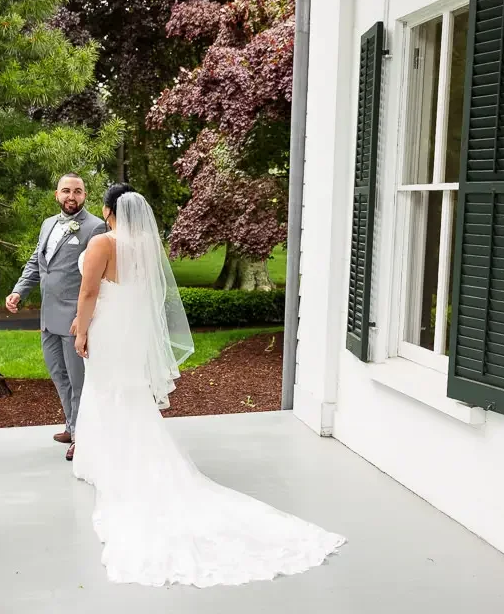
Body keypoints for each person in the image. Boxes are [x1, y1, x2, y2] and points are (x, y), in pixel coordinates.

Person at [69, 183, 346, 587]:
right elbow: (149, 294)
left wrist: (81, 330)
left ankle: (112, 464)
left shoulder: (102, 244)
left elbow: (90, 289)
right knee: (125, 393)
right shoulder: (145, 247)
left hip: (109, 329)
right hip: (131, 333)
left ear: (110, 211)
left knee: (107, 391)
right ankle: (114, 457)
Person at [7, 173, 107, 459]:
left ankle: (82, 437)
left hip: (74, 319)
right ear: (56, 194)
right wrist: (18, 292)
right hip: (48, 318)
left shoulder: (95, 228)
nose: (71, 197)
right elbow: (37, 264)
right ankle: (71, 423)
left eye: (77, 191)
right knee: (58, 375)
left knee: (79, 381)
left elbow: (95, 279)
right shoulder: (48, 224)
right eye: (66, 191)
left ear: (85, 196)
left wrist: (83, 317)